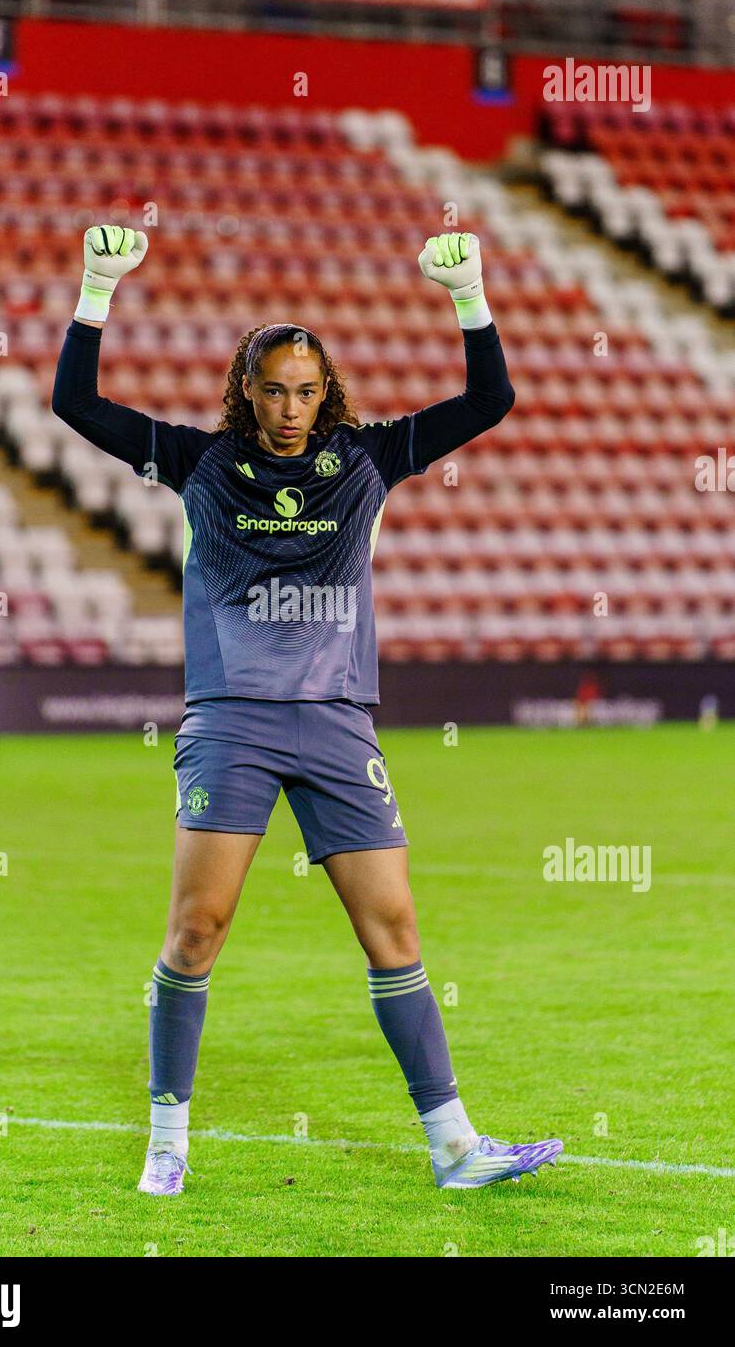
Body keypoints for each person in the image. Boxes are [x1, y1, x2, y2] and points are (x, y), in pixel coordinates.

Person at [52, 223, 563, 1195]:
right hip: (231, 719)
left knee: (395, 931)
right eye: (273, 389)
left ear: (326, 391)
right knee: (196, 930)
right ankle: (168, 1136)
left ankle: (453, 1145)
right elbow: (73, 402)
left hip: (335, 722)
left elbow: (490, 398)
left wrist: (469, 294)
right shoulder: (196, 462)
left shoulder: (369, 460)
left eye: (305, 389)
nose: (290, 408)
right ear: (246, 391)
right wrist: (95, 289)